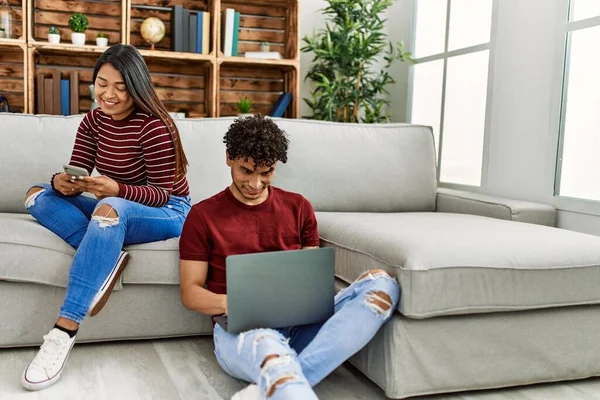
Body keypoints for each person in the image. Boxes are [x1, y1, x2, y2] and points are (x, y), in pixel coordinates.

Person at [178, 115, 400, 400]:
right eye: (246, 171)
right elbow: (190, 293)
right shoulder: (203, 215)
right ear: (229, 158)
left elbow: (308, 282)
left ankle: (278, 381)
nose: (256, 183)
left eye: (266, 172)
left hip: (300, 325)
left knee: (382, 287)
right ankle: (280, 374)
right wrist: (229, 302)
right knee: (272, 353)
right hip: (243, 332)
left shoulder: (299, 207)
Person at [22, 44, 191, 391]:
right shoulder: (92, 121)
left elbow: (162, 193)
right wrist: (64, 183)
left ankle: (62, 332)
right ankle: (106, 251)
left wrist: (116, 189)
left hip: (169, 210)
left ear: (136, 86)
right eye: (102, 83)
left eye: (120, 86)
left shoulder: (155, 127)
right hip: (114, 205)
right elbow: (78, 170)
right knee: (37, 195)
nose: (108, 94)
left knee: (108, 210)